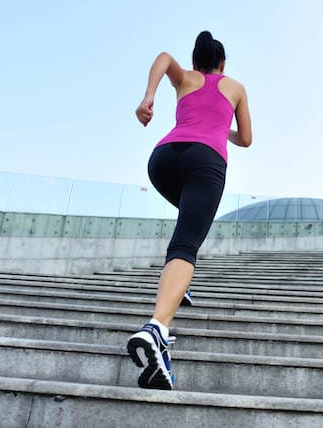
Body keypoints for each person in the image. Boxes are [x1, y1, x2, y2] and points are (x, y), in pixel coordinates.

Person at [126, 31, 252, 390]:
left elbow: (164, 56)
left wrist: (148, 98)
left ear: (196, 61)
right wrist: (220, 127)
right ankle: (157, 330)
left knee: (188, 223)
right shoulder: (235, 87)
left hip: (163, 159)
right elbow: (246, 139)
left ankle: (177, 286)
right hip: (205, 161)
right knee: (186, 244)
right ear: (222, 63)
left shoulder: (187, 79)